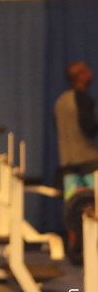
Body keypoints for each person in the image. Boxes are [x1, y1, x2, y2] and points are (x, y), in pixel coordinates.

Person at [54, 61, 98, 264]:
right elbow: (88, 128)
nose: (91, 73)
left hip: (67, 164)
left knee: (72, 209)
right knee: (95, 207)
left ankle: (75, 252)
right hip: (89, 163)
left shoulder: (60, 102)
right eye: (87, 70)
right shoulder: (84, 99)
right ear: (80, 76)